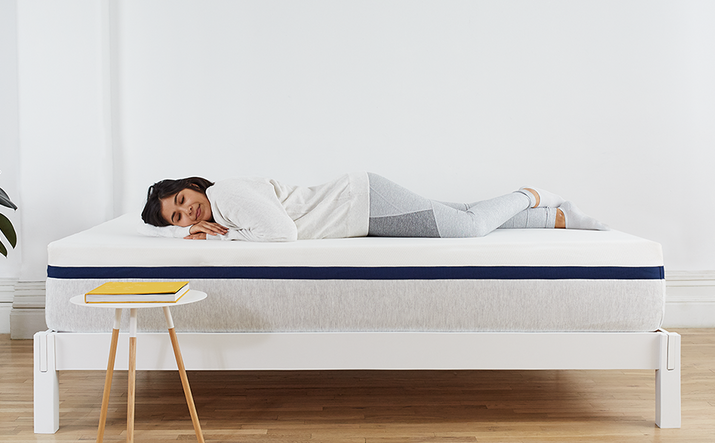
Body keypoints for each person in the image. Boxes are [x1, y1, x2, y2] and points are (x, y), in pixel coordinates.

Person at [140, 172, 608, 242]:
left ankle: (533, 195)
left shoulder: (225, 196)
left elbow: (283, 235)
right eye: (177, 218)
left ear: (193, 186)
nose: (188, 214)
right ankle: (558, 219)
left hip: (363, 204)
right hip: (361, 204)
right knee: (460, 210)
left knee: (464, 227)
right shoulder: (222, 208)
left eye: (183, 201)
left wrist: (226, 241)